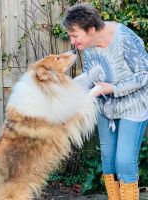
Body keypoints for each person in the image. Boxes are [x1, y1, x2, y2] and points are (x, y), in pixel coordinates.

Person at [62, 3, 148, 200]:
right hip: (106, 108)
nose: (72, 41)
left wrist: (114, 89)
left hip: (134, 107)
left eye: (75, 35)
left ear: (90, 29)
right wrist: (66, 90)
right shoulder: (89, 45)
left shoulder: (124, 37)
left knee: (124, 161)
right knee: (108, 162)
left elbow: (145, 73)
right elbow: (90, 76)